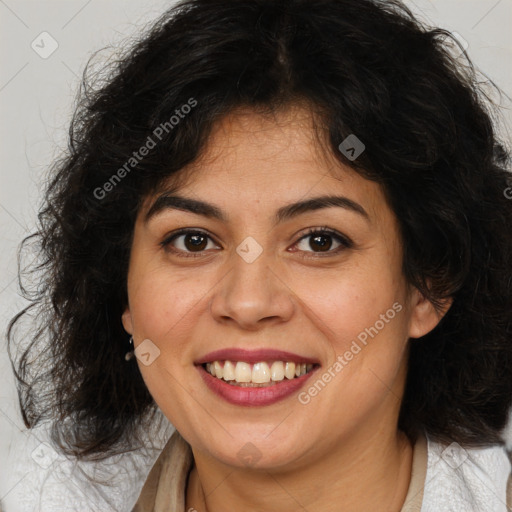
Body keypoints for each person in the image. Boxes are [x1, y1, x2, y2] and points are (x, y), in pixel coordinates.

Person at [7, 0, 512, 510]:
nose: (247, 303)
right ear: (125, 287)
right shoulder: (40, 490)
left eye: (320, 240)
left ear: (428, 285)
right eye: (193, 240)